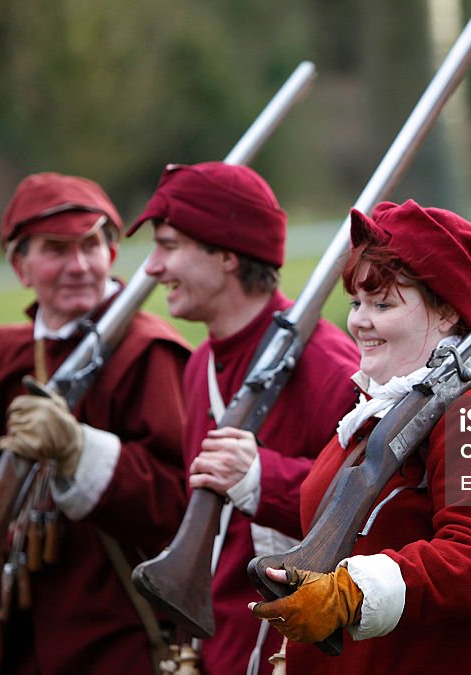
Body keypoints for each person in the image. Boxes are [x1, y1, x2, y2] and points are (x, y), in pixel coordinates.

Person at [0, 172, 192, 674]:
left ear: (112, 253)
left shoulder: (150, 353)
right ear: (20, 265)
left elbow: (181, 503)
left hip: (116, 624)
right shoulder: (7, 353)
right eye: (56, 250)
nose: (79, 266)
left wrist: (79, 451)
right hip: (11, 626)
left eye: (91, 246)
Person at [249, 200, 471, 674]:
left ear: (447, 311)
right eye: (357, 302)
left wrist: (351, 594)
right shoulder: (375, 412)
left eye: (382, 303)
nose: (359, 321)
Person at [129, 161, 360, 675]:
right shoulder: (199, 366)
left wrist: (263, 479)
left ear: (227, 256)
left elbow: (373, 511)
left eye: (169, 247)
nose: (152, 268)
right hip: (220, 648)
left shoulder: (328, 367)